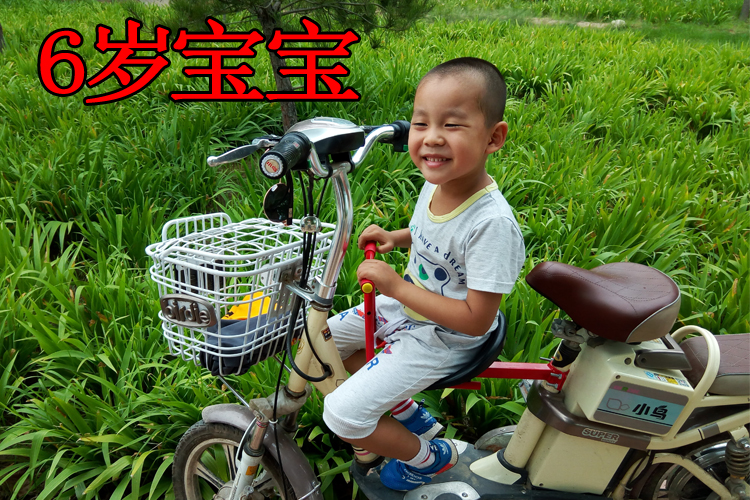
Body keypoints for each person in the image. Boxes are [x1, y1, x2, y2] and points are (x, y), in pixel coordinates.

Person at [322, 57, 525, 491]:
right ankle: (407, 412)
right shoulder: (436, 183)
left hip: (444, 337)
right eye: (421, 123)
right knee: (321, 342)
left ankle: (430, 457)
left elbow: (476, 319)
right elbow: (433, 237)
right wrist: (398, 238)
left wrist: (395, 285)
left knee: (340, 414)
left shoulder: (492, 225)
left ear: (494, 137)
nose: (432, 138)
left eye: (452, 125)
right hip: (407, 307)